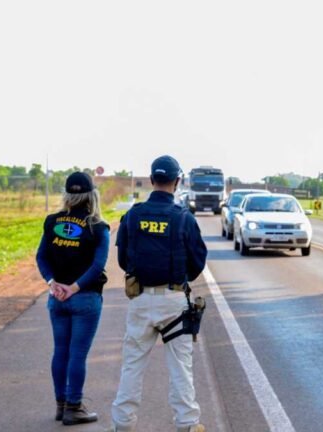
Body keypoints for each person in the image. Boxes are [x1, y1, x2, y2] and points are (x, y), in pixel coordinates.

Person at [108, 155, 208, 432]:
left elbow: (121, 260)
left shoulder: (133, 215)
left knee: (132, 366)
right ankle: (187, 424)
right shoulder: (183, 218)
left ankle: (123, 424)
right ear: (177, 182)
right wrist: (178, 279)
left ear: (152, 180)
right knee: (180, 368)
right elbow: (198, 260)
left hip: (140, 300)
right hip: (174, 301)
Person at [36, 171, 110, 425]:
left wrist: (52, 283)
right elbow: (98, 265)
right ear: (92, 195)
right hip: (85, 298)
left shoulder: (51, 221)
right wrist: (75, 287)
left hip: (57, 298)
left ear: (66, 194)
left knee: (61, 351)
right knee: (77, 354)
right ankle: (74, 407)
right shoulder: (98, 227)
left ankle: (60, 405)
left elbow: (41, 257)